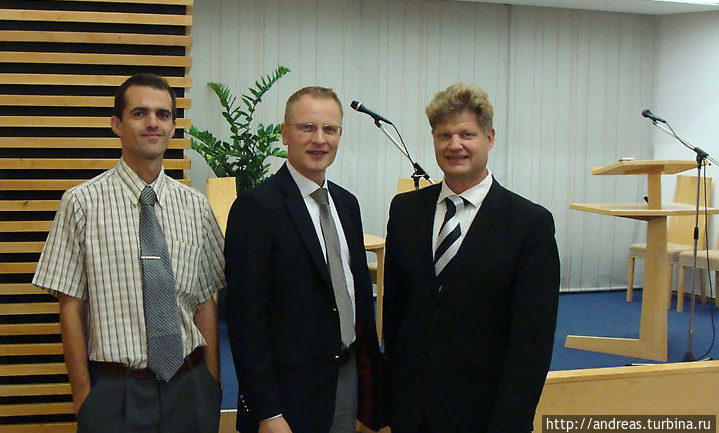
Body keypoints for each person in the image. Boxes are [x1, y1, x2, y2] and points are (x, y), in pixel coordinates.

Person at [32, 73, 225, 432]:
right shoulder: (81, 204)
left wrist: (212, 383)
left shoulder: (196, 207)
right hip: (116, 392)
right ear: (116, 125)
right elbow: (70, 307)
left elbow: (205, 302)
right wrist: (83, 395)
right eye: (140, 113)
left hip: (189, 386)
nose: (153, 122)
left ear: (172, 127)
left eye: (163, 115)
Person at [383, 82, 560, 433]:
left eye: (467, 134)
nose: (455, 145)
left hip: (483, 413)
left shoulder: (530, 224)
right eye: (444, 135)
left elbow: (532, 344)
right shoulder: (405, 211)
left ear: (489, 138)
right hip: (410, 411)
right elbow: (395, 315)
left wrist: (509, 423)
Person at [225, 86, 385, 433]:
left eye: (330, 129)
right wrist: (267, 411)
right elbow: (245, 321)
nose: (320, 139)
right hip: (286, 394)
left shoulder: (347, 204)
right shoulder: (257, 208)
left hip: (344, 376)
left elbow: (356, 296)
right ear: (285, 133)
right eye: (307, 127)